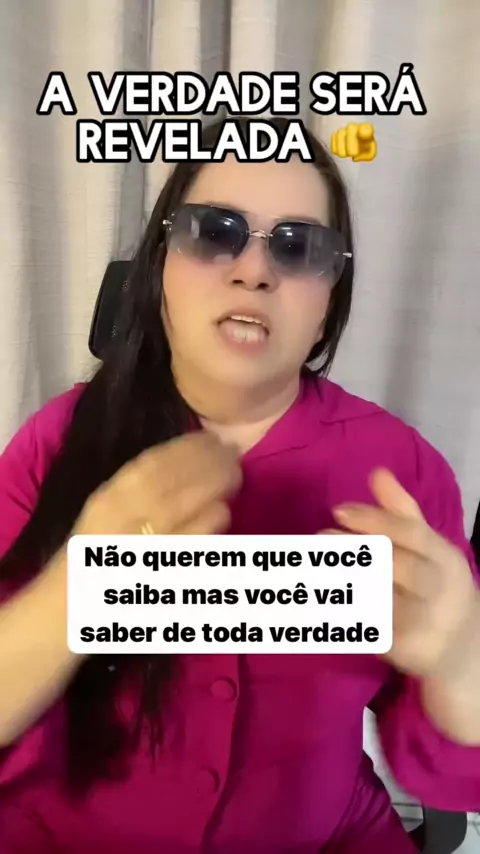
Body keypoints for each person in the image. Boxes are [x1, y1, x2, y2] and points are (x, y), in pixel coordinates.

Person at [0, 116, 478, 854]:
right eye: (214, 230)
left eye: (299, 246)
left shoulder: (404, 474)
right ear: (159, 265)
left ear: (329, 301)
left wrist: (462, 666)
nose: (254, 270)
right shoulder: (56, 443)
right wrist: (75, 598)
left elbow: (454, 771)